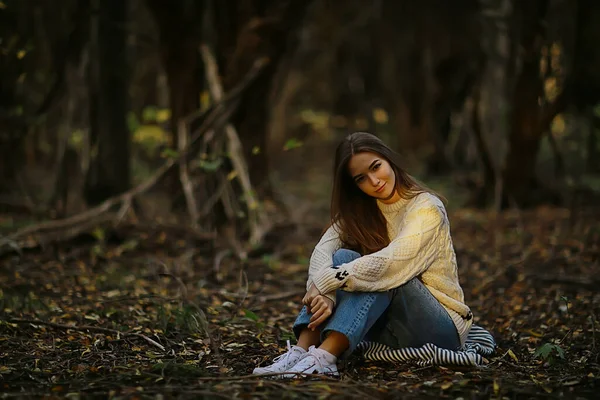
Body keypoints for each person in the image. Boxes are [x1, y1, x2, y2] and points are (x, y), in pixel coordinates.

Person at [252, 132, 473, 377]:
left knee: (371, 269)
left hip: (440, 329)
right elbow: (322, 250)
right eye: (361, 178)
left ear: (388, 158)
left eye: (376, 167)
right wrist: (325, 292)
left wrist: (326, 282)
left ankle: (324, 358)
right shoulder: (363, 210)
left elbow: (391, 263)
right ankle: (302, 351)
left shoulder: (427, 208)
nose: (374, 181)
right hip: (393, 329)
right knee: (344, 256)